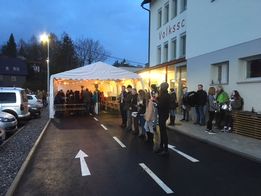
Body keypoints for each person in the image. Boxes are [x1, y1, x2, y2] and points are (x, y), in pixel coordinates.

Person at [157, 82, 171, 156]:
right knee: (162, 131)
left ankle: (165, 149)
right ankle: (161, 147)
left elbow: (160, 105)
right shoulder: (165, 95)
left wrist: (156, 103)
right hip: (164, 114)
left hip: (163, 114)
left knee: (163, 132)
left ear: (163, 87)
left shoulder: (165, 95)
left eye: (161, 87)